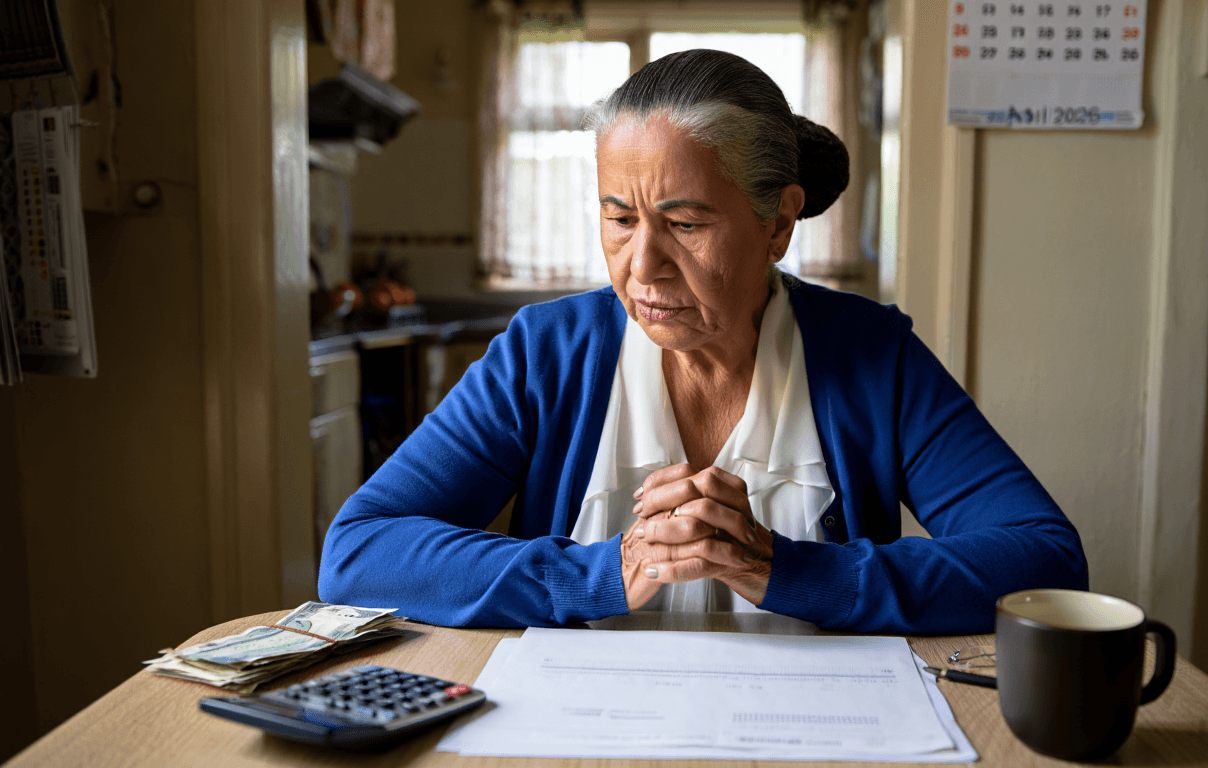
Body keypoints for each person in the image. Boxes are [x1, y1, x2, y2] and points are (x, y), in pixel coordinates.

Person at [319, 49, 1087, 634]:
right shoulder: (545, 353)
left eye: (685, 224)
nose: (642, 265)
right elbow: (359, 552)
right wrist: (601, 574)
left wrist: (793, 571)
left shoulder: (871, 356)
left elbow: (1045, 559)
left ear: (779, 223)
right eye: (619, 219)